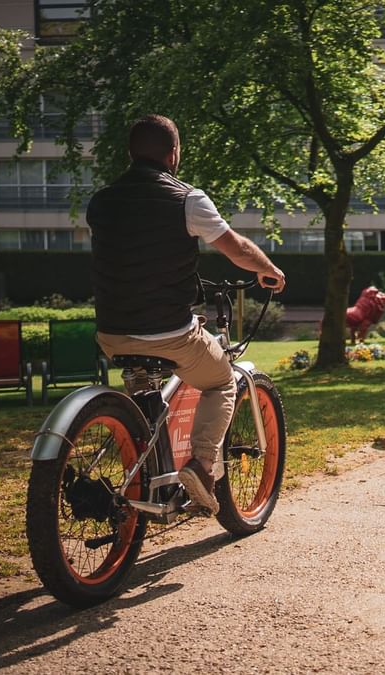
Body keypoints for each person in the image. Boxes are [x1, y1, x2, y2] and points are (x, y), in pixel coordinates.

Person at [87, 114, 286, 515]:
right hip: (168, 332)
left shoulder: (102, 201)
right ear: (174, 153)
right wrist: (268, 269)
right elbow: (235, 248)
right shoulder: (187, 199)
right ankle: (202, 465)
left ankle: (151, 474)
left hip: (111, 333)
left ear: (130, 153)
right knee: (223, 380)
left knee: (146, 392)